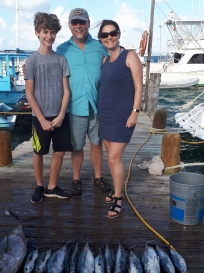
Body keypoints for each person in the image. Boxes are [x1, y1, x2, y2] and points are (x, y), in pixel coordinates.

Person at [56, 8, 111, 197]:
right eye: (74, 22)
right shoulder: (61, 50)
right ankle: (76, 179)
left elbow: (115, 64)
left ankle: (98, 177)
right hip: (74, 107)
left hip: (97, 105)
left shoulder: (100, 46)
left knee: (97, 144)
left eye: (82, 22)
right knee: (77, 147)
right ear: (70, 25)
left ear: (88, 23)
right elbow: (50, 70)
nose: (78, 26)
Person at [24, 12, 72, 203]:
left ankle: (52, 186)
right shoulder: (31, 61)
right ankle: (39, 185)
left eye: (52, 32)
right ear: (37, 32)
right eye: (45, 31)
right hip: (39, 117)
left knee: (59, 151)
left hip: (60, 115)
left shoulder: (61, 60)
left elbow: (66, 91)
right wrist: (42, 119)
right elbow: (29, 93)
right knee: (39, 152)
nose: (49, 36)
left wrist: (61, 115)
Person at [97, 20, 143, 218]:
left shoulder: (130, 55)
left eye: (112, 33)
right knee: (111, 158)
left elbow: (139, 86)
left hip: (122, 116)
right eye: (105, 35)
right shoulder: (105, 61)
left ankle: (118, 198)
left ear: (119, 34)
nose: (109, 37)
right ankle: (115, 190)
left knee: (115, 158)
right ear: (101, 39)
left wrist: (135, 111)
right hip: (105, 114)